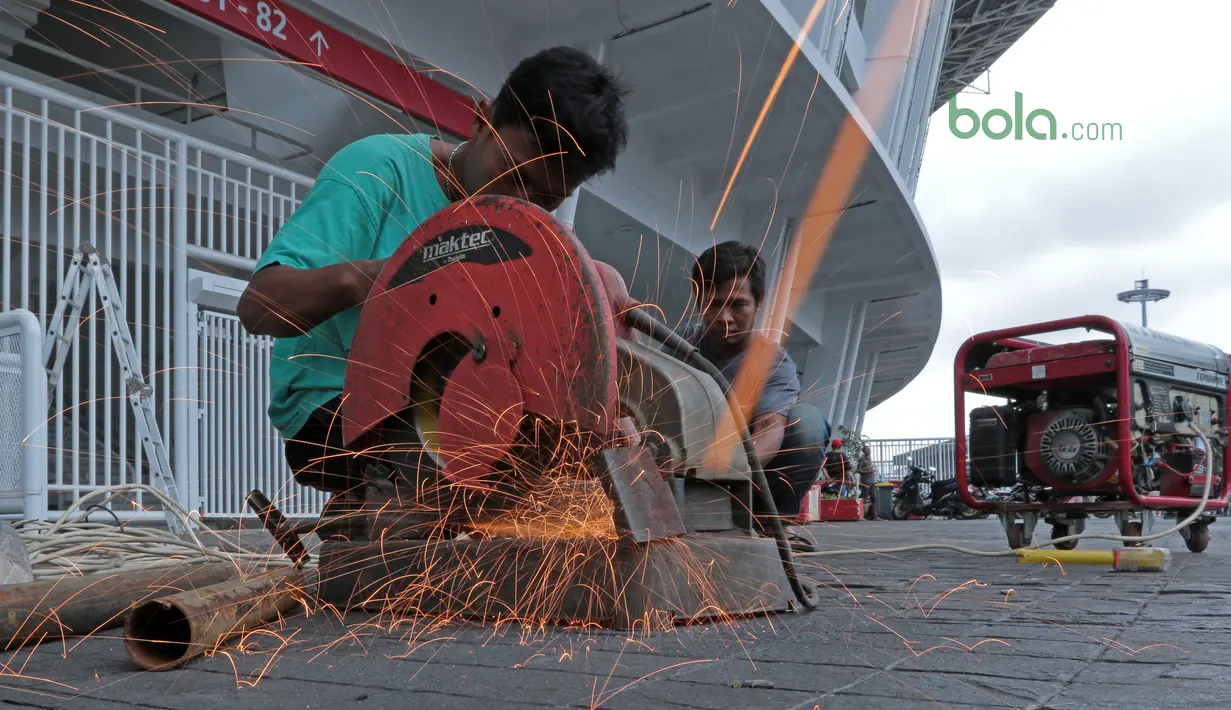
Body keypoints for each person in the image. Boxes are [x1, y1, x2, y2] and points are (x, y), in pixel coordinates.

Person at [237, 47, 631, 505]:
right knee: (484, 461)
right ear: (482, 121)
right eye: (511, 177)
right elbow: (258, 305)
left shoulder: (531, 232)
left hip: (456, 403)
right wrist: (388, 277)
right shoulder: (377, 170)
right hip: (330, 407)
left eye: (545, 197)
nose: (519, 203)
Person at [681, 241, 825, 551]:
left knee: (808, 424)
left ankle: (770, 524)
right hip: (683, 472)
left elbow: (771, 427)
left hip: (746, 481)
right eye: (714, 303)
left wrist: (721, 465)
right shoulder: (678, 345)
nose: (725, 317)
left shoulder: (772, 361)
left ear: (758, 304)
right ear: (697, 300)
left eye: (738, 304)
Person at [856, 444, 880, 521]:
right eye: (867, 449)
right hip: (866, 481)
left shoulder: (870, 459)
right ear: (864, 451)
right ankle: (861, 516)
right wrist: (867, 472)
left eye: (869, 449)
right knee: (864, 498)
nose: (869, 451)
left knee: (874, 499)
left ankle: (875, 516)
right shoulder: (862, 459)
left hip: (872, 481)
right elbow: (858, 470)